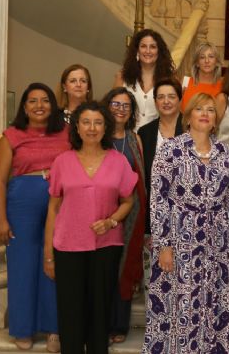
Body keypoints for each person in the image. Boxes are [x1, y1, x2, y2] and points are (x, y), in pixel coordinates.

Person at [143, 93, 229, 353]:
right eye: (200, 108)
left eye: (211, 109)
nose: (205, 113)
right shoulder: (170, 148)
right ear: (189, 115)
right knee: (179, 303)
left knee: (216, 303)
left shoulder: (224, 151)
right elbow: (158, 199)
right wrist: (163, 245)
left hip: (217, 241)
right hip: (179, 238)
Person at [43, 101, 137, 354]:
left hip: (106, 247)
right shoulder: (63, 161)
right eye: (86, 122)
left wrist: (111, 221)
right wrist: (48, 254)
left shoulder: (118, 161)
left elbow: (129, 200)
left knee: (100, 312)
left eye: (98, 122)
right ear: (77, 127)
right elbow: (53, 208)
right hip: (67, 245)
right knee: (70, 312)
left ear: (105, 126)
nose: (92, 128)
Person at [0, 83, 69, 352]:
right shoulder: (11, 136)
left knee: (54, 262)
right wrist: (1, 219)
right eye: (33, 101)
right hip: (21, 203)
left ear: (53, 105)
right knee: (22, 264)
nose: (39, 105)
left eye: (45, 100)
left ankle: (54, 330)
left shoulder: (66, 133)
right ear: (24, 107)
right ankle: (23, 328)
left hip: (60, 201)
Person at [101, 88, 147, 344]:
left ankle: (119, 323)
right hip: (101, 208)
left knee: (124, 266)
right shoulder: (98, 136)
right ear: (106, 106)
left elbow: (141, 179)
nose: (120, 109)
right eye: (115, 104)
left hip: (132, 212)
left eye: (126, 106)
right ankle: (101, 322)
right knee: (104, 267)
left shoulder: (134, 139)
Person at [137, 78, 184, 296]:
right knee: (156, 285)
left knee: (185, 286)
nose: (166, 101)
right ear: (155, 102)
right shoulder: (144, 134)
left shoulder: (192, 129)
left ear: (180, 99)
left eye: (171, 96)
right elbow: (144, 182)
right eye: (161, 97)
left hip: (188, 221)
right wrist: (148, 226)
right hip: (154, 220)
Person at [114, 28, 175, 130]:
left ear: (159, 51)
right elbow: (113, 108)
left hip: (157, 139)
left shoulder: (170, 78)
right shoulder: (122, 77)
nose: (147, 51)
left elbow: (175, 113)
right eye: (143, 46)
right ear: (137, 50)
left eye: (152, 47)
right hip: (127, 138)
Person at [181, 41, 224, 111]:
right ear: (197, 63)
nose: (207, 61)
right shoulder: (185, 82)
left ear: (216, 62)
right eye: (202, 57)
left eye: (211, 56)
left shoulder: (223, 86)